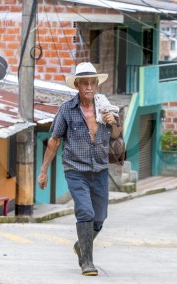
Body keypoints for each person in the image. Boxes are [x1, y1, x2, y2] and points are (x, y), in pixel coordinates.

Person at [37, 62, 122, 276]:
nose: (89, 87)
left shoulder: (106, 108)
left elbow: (116, 136)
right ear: (77, 85)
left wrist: (113, 123)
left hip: (100, 169)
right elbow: (54, 140)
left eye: (93, 83)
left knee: (99, 218)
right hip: (75, 170)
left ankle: (81, 246)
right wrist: (43, 170)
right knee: (85, 211)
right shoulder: (67, 109)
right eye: (85, 83)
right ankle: (87, 262)